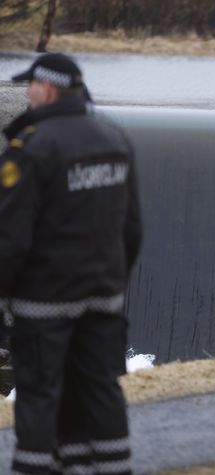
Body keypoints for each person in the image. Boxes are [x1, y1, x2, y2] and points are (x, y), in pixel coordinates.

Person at [0, 53, 142, 474]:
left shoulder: (32, 148)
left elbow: (11, 238)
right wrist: (114, 284)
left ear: (46, 89)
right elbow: (132, 229)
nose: (28, 93)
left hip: (44, 301)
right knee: (100, 389)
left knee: (40, 393)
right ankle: (112, 468)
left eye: (31, 87)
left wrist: (6, 300)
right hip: (103, 295)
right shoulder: (114, 140)